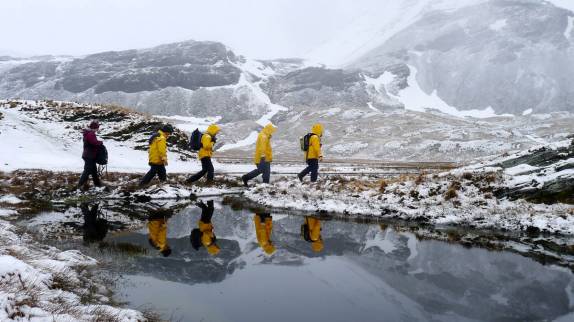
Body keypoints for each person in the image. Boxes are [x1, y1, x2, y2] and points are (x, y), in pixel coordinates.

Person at [78, 119, 103, 189]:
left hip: (89, 155)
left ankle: (97, 185)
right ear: (94, 128)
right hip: (89, 155)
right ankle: (80, 185)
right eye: (97, 128)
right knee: (87, 170)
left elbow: (93, 142)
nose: (98, 129)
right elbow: (94, 143)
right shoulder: (91, 134)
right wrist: (100, 143)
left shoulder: (89, 133)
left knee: (94, 171)